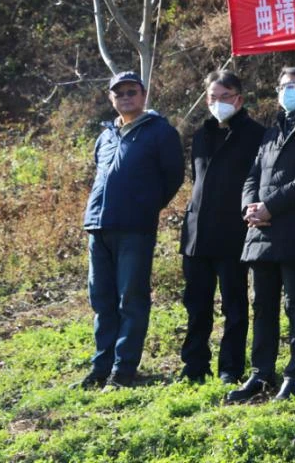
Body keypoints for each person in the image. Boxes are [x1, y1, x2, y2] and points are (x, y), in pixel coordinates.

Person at [226, 67, 295, 404]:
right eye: (281, 86)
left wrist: (270, 207)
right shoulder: (272, 131)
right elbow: (253, 174)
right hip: (260, 229)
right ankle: (261, 373)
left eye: (292, 86)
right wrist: (249, 207)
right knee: (262, 304)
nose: (284, 91)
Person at [80, 71, 184, 389]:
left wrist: (144, 207)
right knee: (102, 299)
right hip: (98, 226)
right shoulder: (106, 135)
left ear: (143, 94)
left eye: (131, 92)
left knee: (131, 299)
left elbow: (173, 177)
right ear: (111, 98)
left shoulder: (160, 132)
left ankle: (123, 370)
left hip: (134, 229)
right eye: (119, 93)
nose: (125, 97)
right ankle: (101, 368)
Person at [178, 70, 265, 385]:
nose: (218, 103)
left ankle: (231, 367)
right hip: (197, 233)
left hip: (233, 233)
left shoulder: (257, 135)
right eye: (213, 97)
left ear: (239, 99)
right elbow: (197, 180)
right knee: (196, 305)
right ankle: (194, 366)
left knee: (235, 305)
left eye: (225, 97)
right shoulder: (201, 135)